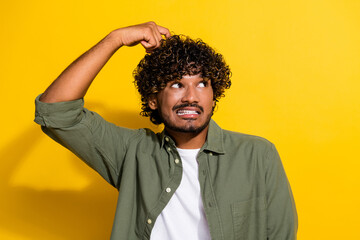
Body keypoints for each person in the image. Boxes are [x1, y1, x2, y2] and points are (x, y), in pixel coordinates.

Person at [34, 21, 297, 240]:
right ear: (153, 99)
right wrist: (115, 39)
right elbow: (55, 112)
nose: (191, 97)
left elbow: (281, 234)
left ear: (214, 96)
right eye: (176, 84)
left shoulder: (257, 155)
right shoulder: (133, 152)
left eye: (202, 84)